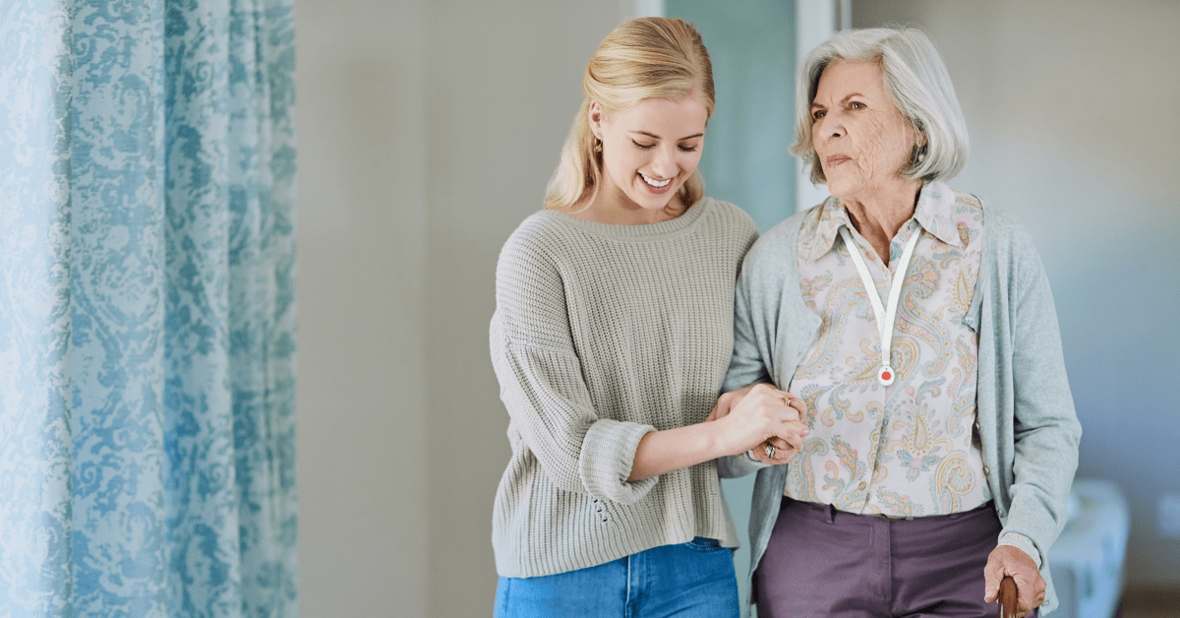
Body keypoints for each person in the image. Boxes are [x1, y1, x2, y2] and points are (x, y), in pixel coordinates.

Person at [713, 27, 1082, 618]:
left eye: (854, 107)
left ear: (918, 123)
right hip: (813, 556)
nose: (827, 127)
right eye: (819, 112)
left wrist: (1025, 538)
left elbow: (1048, 427)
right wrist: (752, 435)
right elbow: (724, 436)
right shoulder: (777, 259)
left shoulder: (995, 246)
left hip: (967, 560)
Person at [488, 17, 809, 618]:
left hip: (694, 563)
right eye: (646, 141)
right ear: (599, 120)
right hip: (561, 571)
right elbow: (570, 453)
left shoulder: (730, 236)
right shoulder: (538, 253)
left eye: (688, 144)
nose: (668, 165)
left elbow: (729, 431)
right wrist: (720, 434)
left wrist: (760, 435)